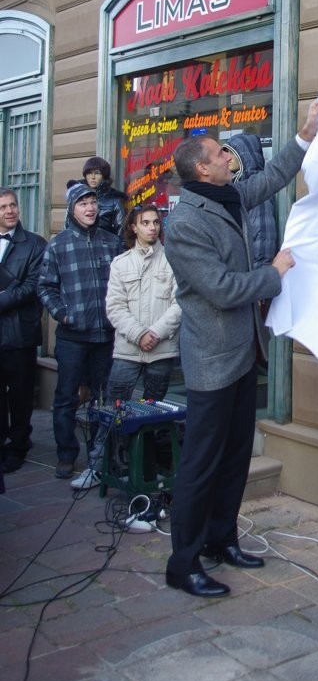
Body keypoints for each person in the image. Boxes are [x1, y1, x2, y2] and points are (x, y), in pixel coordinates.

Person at [163, 101, 318, 598]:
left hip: (240, 352)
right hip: (212, 359)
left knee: (235, 457)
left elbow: (272, 177)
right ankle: (182, 562)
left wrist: (304, 136)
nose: (230, 156)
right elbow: (223, 288)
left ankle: (221, 539)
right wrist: (275, 273)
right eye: (219, 153)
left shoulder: (226, 194)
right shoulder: (185, 223)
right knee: (200, 464)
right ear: (201, 168)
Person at [70, 203, 182, 490]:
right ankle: (100, 466)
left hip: (161, 349)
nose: (152, 228)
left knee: (154, 414)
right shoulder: (121, 263)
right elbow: (115, 307)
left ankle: (149, 469)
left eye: (156, 222)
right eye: (146, 223)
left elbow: (179, 304)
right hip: (128, 350)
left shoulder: (172, 261)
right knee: (114, 412)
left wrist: (155, 333)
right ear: (134, 227)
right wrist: (139, 334)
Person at [38, 182, 122, 479]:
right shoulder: (58, 245)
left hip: (105, 337)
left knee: (103, 399)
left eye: (93, 203)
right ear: (73, 210)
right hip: (73, 337)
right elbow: (45, 287)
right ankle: (66, 454)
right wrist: (63, 314)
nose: (90, 208)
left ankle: (99, 457)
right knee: (66, 398)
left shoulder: (111, 242)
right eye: (83, 203)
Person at [0, 189, 47, 473]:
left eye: (13, 205)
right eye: (4, 206)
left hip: (20, 333)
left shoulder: (35, 244)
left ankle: (19, 445)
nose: (10, 211)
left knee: (20, 395)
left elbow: (32, 286)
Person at [224, 133, 278, 268]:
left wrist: (257, 280)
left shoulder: (257, 191)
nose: (227, 158)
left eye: (232, 152)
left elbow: (263, 240)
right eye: (226, 152)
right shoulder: (236, 187)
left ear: (245, 156)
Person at [65, 157, 126, 240]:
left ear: (104, 176)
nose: (93, 177)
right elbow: (67, 226)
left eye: (97, 173)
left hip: (106, 246)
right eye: (89, 173)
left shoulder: (114, 201)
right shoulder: (76, 197)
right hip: (77, 244)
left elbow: (121, 233)